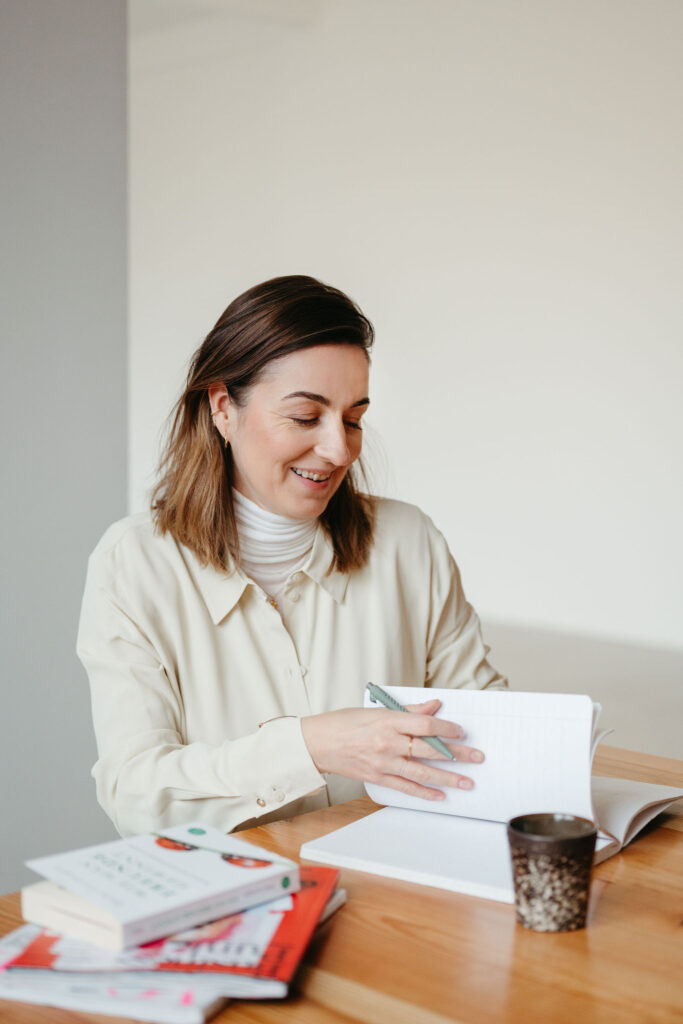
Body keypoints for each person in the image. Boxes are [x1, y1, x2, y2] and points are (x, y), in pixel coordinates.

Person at [78, 275, 507, 837]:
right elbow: (135, 794)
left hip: (397, 892)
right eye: (307, 417)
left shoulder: (409, 541)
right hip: (233, 898)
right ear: (222, 408)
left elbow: (487, 733)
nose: (339, 450)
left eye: (353, 418)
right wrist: (310, 747)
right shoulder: (133, 564)